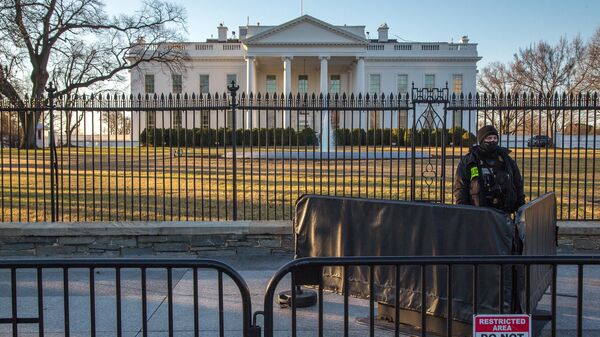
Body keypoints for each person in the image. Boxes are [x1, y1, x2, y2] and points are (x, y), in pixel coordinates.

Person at [453, 125, 526, 214]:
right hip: (478, 211)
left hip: (503, 211)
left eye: (495, 138)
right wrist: (462, 209)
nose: (492, 141)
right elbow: (460, 186)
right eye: (489, 138)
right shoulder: (470, 160)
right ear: (481, 140)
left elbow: (517, 183)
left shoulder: (506, 160)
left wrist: (521, 206)